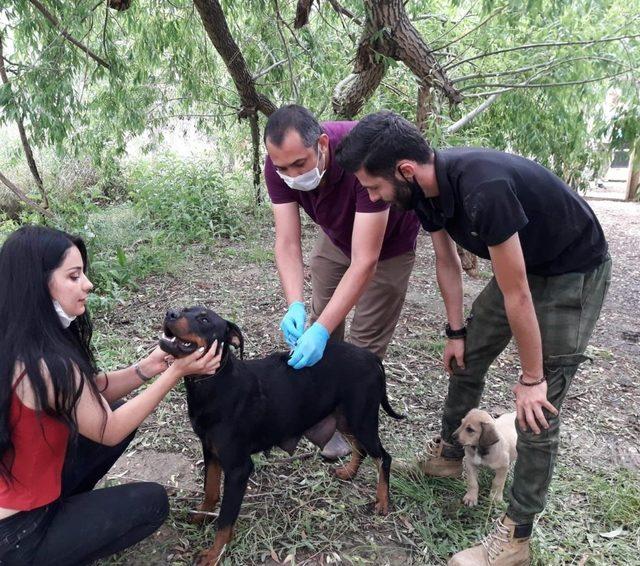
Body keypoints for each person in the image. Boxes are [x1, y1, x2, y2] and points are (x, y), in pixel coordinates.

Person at [335, 111, 611, 566]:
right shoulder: (424, 192)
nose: (372, 197)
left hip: (571, 271)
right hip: (524, 270)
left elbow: (519, 290)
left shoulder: (484, 189)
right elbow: (447, 262)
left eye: (373, 187)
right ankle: (449, 453)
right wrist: (456, 331)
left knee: (536, 410)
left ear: (403, 170)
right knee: (463, 360)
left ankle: (515, 538)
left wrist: (533, 376)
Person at [0, 225, 222, 565]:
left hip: (15, 492)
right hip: (18, 533)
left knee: (113, 406)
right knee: (152, 502)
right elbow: (108, 429)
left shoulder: (17, 340)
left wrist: (146, 368)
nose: (87, 284)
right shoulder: (47, 363)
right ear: (38, 284)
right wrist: (176, 373)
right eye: (74, 276)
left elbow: (88, 391)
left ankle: (66, 508)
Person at [263, 105, 420, 459]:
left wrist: (320, 329)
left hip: (388, 246)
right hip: (336, 237)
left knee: (362, 348)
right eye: (282, 167)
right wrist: (295, 304)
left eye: (299, 164)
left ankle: (352, 424)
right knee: (322, 321)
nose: (291, 174)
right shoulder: (279, 165)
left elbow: (366, 261)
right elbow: (287, 241)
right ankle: (321, 416)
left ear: (321, 144)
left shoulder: (363, 154)